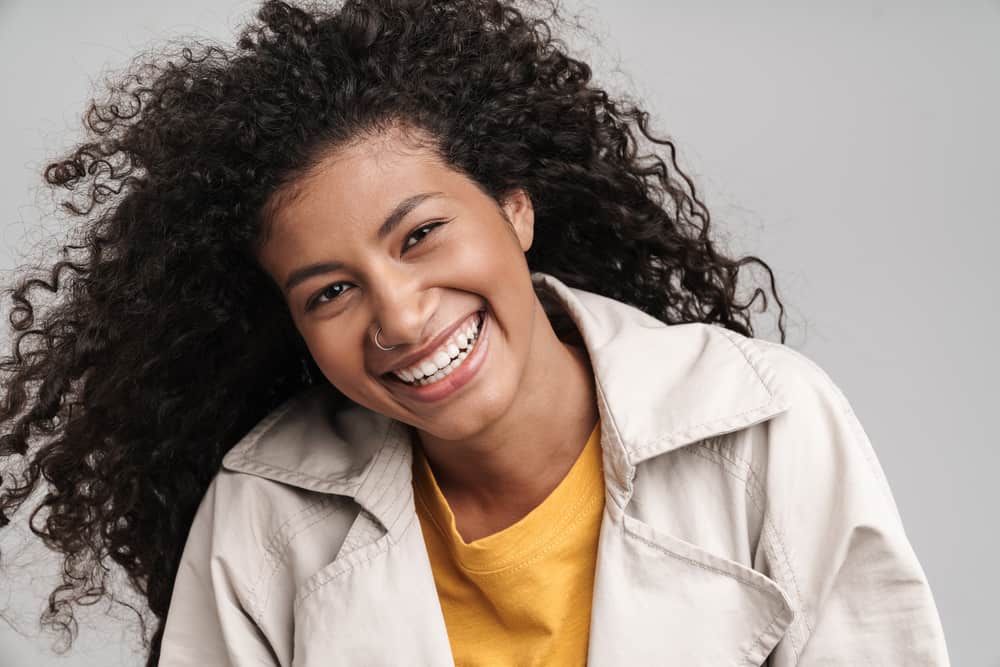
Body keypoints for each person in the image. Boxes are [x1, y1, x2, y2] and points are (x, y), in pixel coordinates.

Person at [0, 0, 949, 665]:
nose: (402, 317)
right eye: (332, 292)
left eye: (421, 235)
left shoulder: (770, 427)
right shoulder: (264, 517)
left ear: (516, 210)